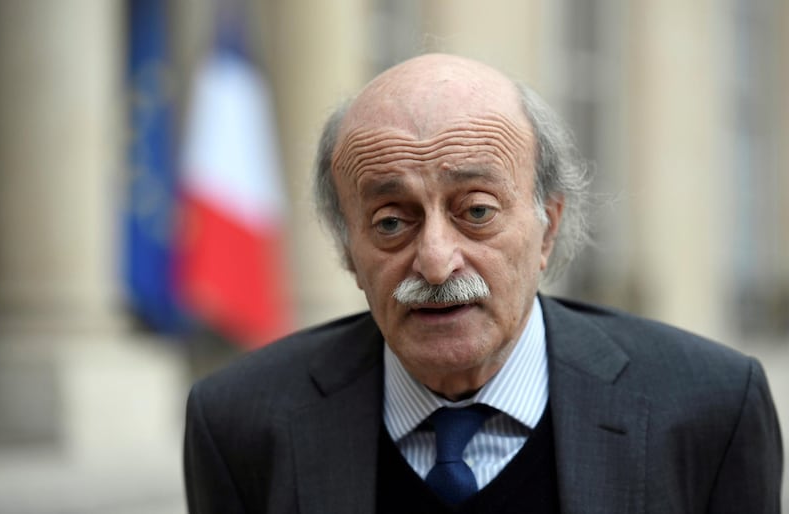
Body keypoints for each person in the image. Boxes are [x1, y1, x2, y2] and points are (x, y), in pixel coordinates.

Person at [183, 53, 783, 513]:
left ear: (547, 227)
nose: (437, 262)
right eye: (392, 222)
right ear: (347, 249)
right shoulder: (239, 423)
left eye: (476, 211)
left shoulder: (710, 408)